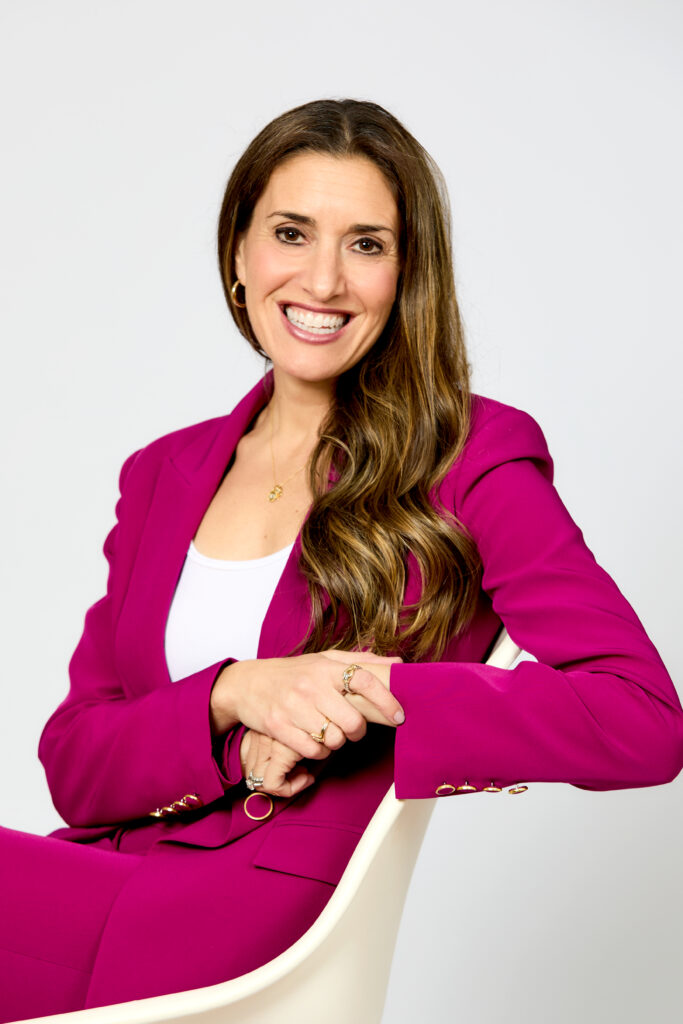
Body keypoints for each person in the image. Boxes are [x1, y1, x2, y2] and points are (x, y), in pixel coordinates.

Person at [1, 97, 682, 1021]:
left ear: (406, 274)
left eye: (366, 244)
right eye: (291, 233)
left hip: (257, 914)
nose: (323, 280)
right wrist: (233, 697)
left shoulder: (472, 454)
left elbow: (641, 716)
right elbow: (77, 761)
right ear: (239, 254)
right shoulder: (164, 472)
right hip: (101, 877)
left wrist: (375, 692)